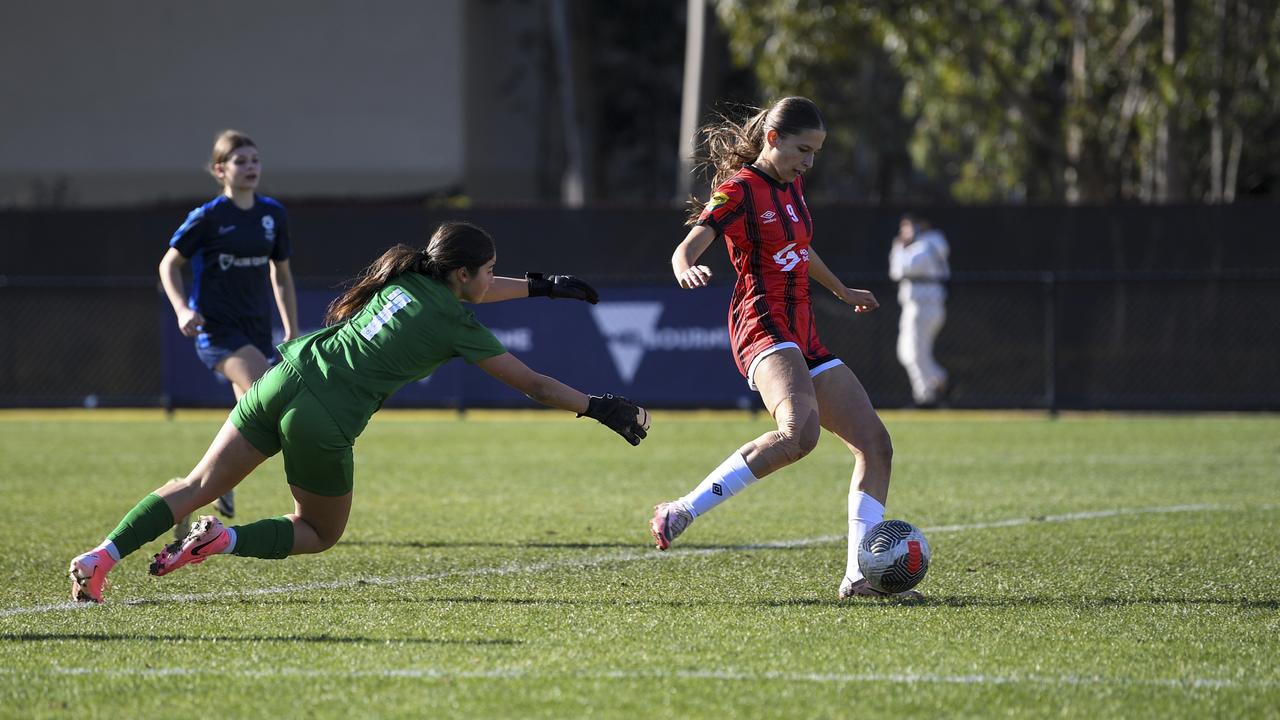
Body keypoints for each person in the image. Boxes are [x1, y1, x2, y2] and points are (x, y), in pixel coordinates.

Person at [69, 221, 650, 603]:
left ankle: (101, 557)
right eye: (489, 269)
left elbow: (478, 287)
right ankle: (222, 541)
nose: (494, 278)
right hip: (325, 417)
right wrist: (598, 406)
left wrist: (541, 286)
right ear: (461, 274)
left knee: (195, 483)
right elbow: (535, 385)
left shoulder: (412, 275)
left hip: (284, 377)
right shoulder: (454, 319)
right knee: (320, 531)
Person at [647, 96, 917, 600]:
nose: (809, 162)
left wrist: (841, 289)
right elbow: (688, 245)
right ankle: (680, 510)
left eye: (816, 152)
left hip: (803, 333)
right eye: (802, 149)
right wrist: (685, 267)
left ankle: (859, 579)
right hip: (762, 326)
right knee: (799, 436)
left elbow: (800, 246)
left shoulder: (792, 185)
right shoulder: (739, 189)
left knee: (876, 445)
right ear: (772, 139)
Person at [158, 130, 300, 530]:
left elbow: (283, 276)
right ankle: (200, 487)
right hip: (217, 331)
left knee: (255, 423)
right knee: (268, 396)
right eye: (241, 161)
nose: (250, 167)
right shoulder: (208, 217)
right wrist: (183, 308)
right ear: (221, 169)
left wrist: (290, 329)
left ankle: (186, 492)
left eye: (255, 159)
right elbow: (168, 265)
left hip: (256, 330)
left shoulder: (272, 215)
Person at [889, 214, 950, 408]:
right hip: (917, 306)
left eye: (906, 228)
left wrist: (898, 247)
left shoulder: (924, 247)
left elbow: (898, 271)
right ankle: (938, 381)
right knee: (907, 353)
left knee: (915, 354)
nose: (902, 234)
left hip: (924, 307)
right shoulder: (927, 246)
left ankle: (926, 396)